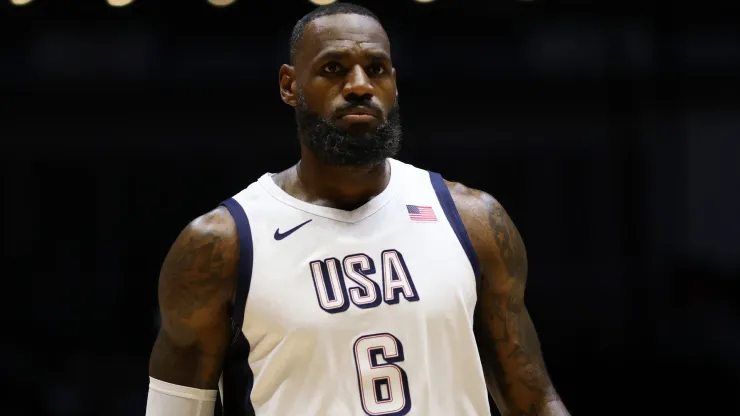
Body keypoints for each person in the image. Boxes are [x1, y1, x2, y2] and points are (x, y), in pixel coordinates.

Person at [145, 3, 570, 416]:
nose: (360, 85)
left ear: (395, 84)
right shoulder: (221, 244)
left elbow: (534, 401)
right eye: (334, 69)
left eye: (377, 69)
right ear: (289, 85)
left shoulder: (472, 220)